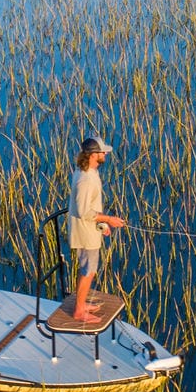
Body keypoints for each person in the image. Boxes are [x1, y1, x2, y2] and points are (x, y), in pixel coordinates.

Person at [67, 136, 128, 321]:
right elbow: (84, 211)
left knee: (88, 269)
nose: (105, 154)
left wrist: (101, 224)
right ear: (94, 155)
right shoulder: (85, 180)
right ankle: (79, 311)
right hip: (85, 235)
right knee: (89, 271)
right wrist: (109, 219)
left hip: (90, 230)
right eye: (103, 152)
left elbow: (90, 207)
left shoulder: (88, 171)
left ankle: (81, 303)